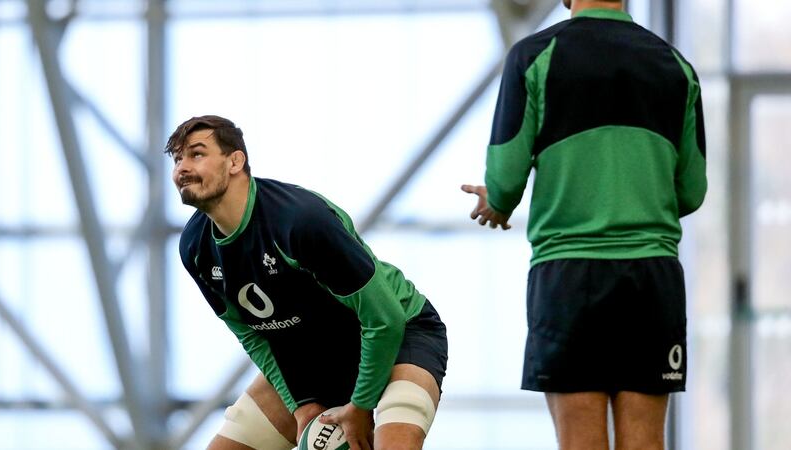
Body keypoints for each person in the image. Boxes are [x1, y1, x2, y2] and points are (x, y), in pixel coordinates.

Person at [461, 0, 706, 449]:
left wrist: (496, 202)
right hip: (651, 278)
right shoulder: (675, 65)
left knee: (580, 443)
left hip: (569, 276)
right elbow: (691, 191)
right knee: (646, 442)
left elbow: (505, 178)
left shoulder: (534, 56)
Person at [166, 115, 447, 450]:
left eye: (196, 154)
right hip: (313, 357)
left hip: (400, 334)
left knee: (396, 445)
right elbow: (253, 336)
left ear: (235, 161)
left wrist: (360, 406)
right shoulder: (195, 248)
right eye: (177, 158)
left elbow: (384, 319)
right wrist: (300, 404)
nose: (182, 167)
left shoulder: (299, 221)